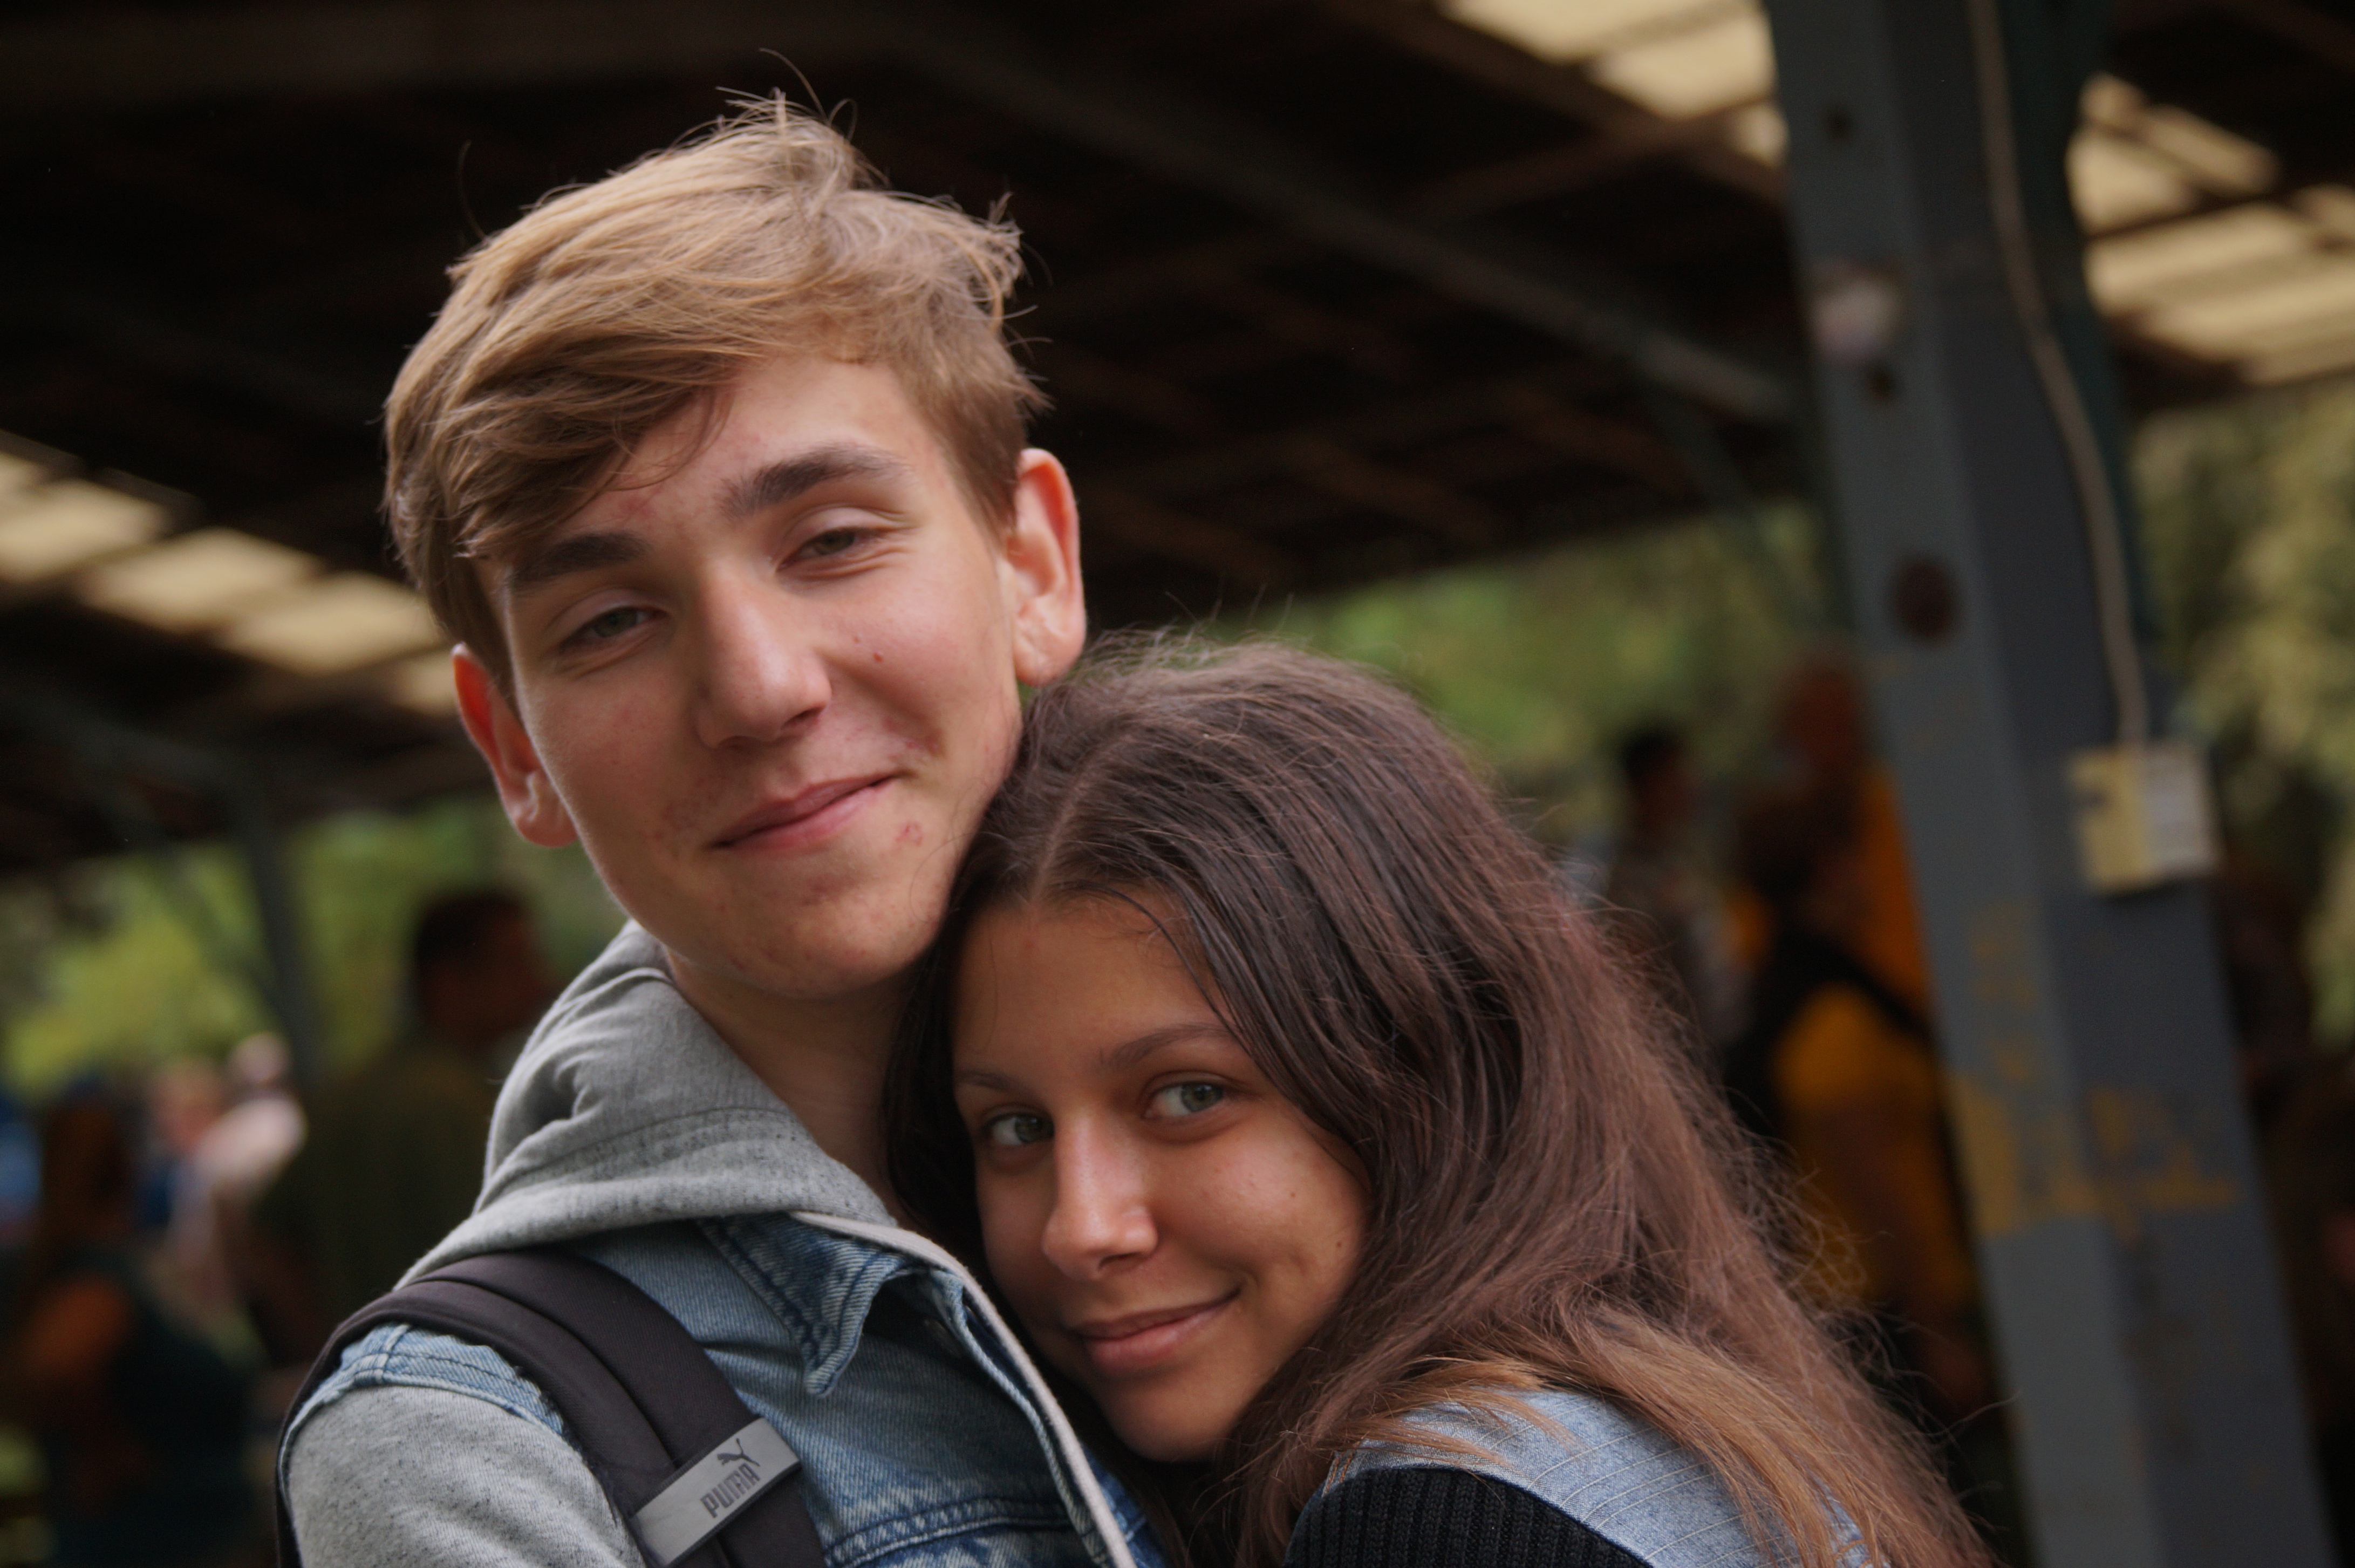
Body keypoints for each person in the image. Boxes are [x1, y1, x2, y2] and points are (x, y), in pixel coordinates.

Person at [276, 97, 1160, 1568]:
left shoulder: (1373, 1098)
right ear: (513, 750)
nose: (757, 689)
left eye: (833, 540)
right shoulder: (479, 1440)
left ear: (1031, 564)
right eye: (611, 620)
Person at [885, 638, 1989, 1568]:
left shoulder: (1443, 1518)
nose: (1081, 1227)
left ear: (1431, 1084)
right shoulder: (1640, 1432)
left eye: (1188, 1095)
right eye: (1016, 1128)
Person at [255, 890, 552, 1343]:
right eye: (516, 963)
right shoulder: (467, 1102)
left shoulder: (347, 1094)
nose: (540, 982)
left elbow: (266, 1240)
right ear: (448, 981)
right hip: (483, 1355)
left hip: (368, 1360)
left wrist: (324, 1347)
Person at [10, 1096, 255, 1567]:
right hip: (147, 1538)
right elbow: (55, 1367)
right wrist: (105, 1451)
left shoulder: (88, 1268)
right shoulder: (94, 1279)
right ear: (125, 1167)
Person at [1603, 725, 1744, 1052]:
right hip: (1695, 1054)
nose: (1692, 785)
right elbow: (1633, 974)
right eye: (1680, 774)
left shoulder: (1680, 855)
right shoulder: (1633, 875)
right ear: (1650, 784)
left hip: (1725, 1044)